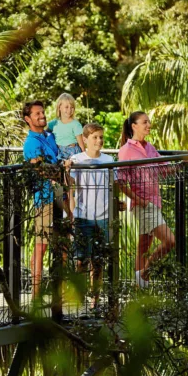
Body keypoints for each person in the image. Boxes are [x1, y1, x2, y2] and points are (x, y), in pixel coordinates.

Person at [116, 111, 175, 288]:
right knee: (170, 241)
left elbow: (164, 169)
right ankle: (144, 274)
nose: (149, 125)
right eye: (144, 122)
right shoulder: (126, 150)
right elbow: (121, 182)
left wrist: (187, 161)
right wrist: (140, 201)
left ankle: (139, 288)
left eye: (149, 122)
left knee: (143, 247)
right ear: (134, 126)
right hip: (143, 205)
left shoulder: (150, 147)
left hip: (154, 202)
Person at [66, 122, 113, 306]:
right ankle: (78, 296)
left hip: (104, 215)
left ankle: (95, 299)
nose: (99, 141)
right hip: (83, 215)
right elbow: (69, 184)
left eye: (101, 137)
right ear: (84, 139)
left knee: (98, 260)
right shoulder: (77, 159)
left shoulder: (108, 160)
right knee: (81, 260)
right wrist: (67, 169)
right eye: (94, 137)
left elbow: (115, 184)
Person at [22, 100, 61, 299]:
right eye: (37, 114)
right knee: (41, 245)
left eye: (43, 112)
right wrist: (62, 173)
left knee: (62, 243)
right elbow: (40, 169)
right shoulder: (31, 143)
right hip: (45, 197)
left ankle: (60, 293)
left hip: (61, 195)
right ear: (28, 119)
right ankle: (35, 295)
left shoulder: (50, 136)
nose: (42, 115)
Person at [47, 93, 85, 161]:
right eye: (66, 107)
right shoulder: (53, 123)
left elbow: (81, 145)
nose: (69, 110)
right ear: (59, 107)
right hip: (59, 153)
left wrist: (84, 160)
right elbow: (44, 135)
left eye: (72, 107)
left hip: (73, 152)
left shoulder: (76, 124)